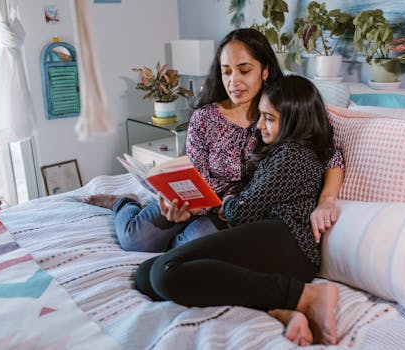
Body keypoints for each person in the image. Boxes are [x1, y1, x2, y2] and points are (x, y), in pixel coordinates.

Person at [84, 28, 343, 252]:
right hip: (192, 204)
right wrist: (184, 208)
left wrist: (327, 201)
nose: (234, 81)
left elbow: (329, 153)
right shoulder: (204, 117)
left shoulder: (282, 111)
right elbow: (195, 174)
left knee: (193, 245)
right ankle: (124, 202)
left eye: (244, 70)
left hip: (228, 213)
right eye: (226, 72)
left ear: (265, 70)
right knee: (134, 240)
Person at [135, 75, 340, 345]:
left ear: (294, 121)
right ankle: (280, 310)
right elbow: (243, 207)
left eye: (269, 118)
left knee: (165, 271)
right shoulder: (280, 152)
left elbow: (239, 212)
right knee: (145, 275)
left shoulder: (293, 156)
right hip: (270, 242)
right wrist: (232, 202)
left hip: (289, 243)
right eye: (261, 116)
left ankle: (308, 296)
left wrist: (230, 202)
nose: (259, 126)